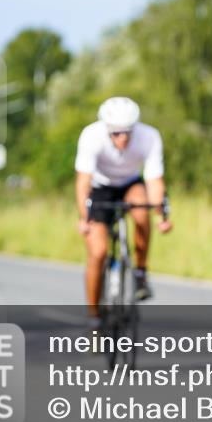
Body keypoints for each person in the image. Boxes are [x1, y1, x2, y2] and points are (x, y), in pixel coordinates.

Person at [75, 97, 171, 323]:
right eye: (117, 133)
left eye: (128, 131)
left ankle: (140, 273)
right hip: (99, 187)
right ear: (107, 129)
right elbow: (83, 183)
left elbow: (154, 180)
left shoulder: (149, 136)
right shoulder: (91, 135)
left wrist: (161, 215)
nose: (124, 138)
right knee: (97, 253)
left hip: (130, 183)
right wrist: (84, 217)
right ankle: (94, 319)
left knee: (141, 210)